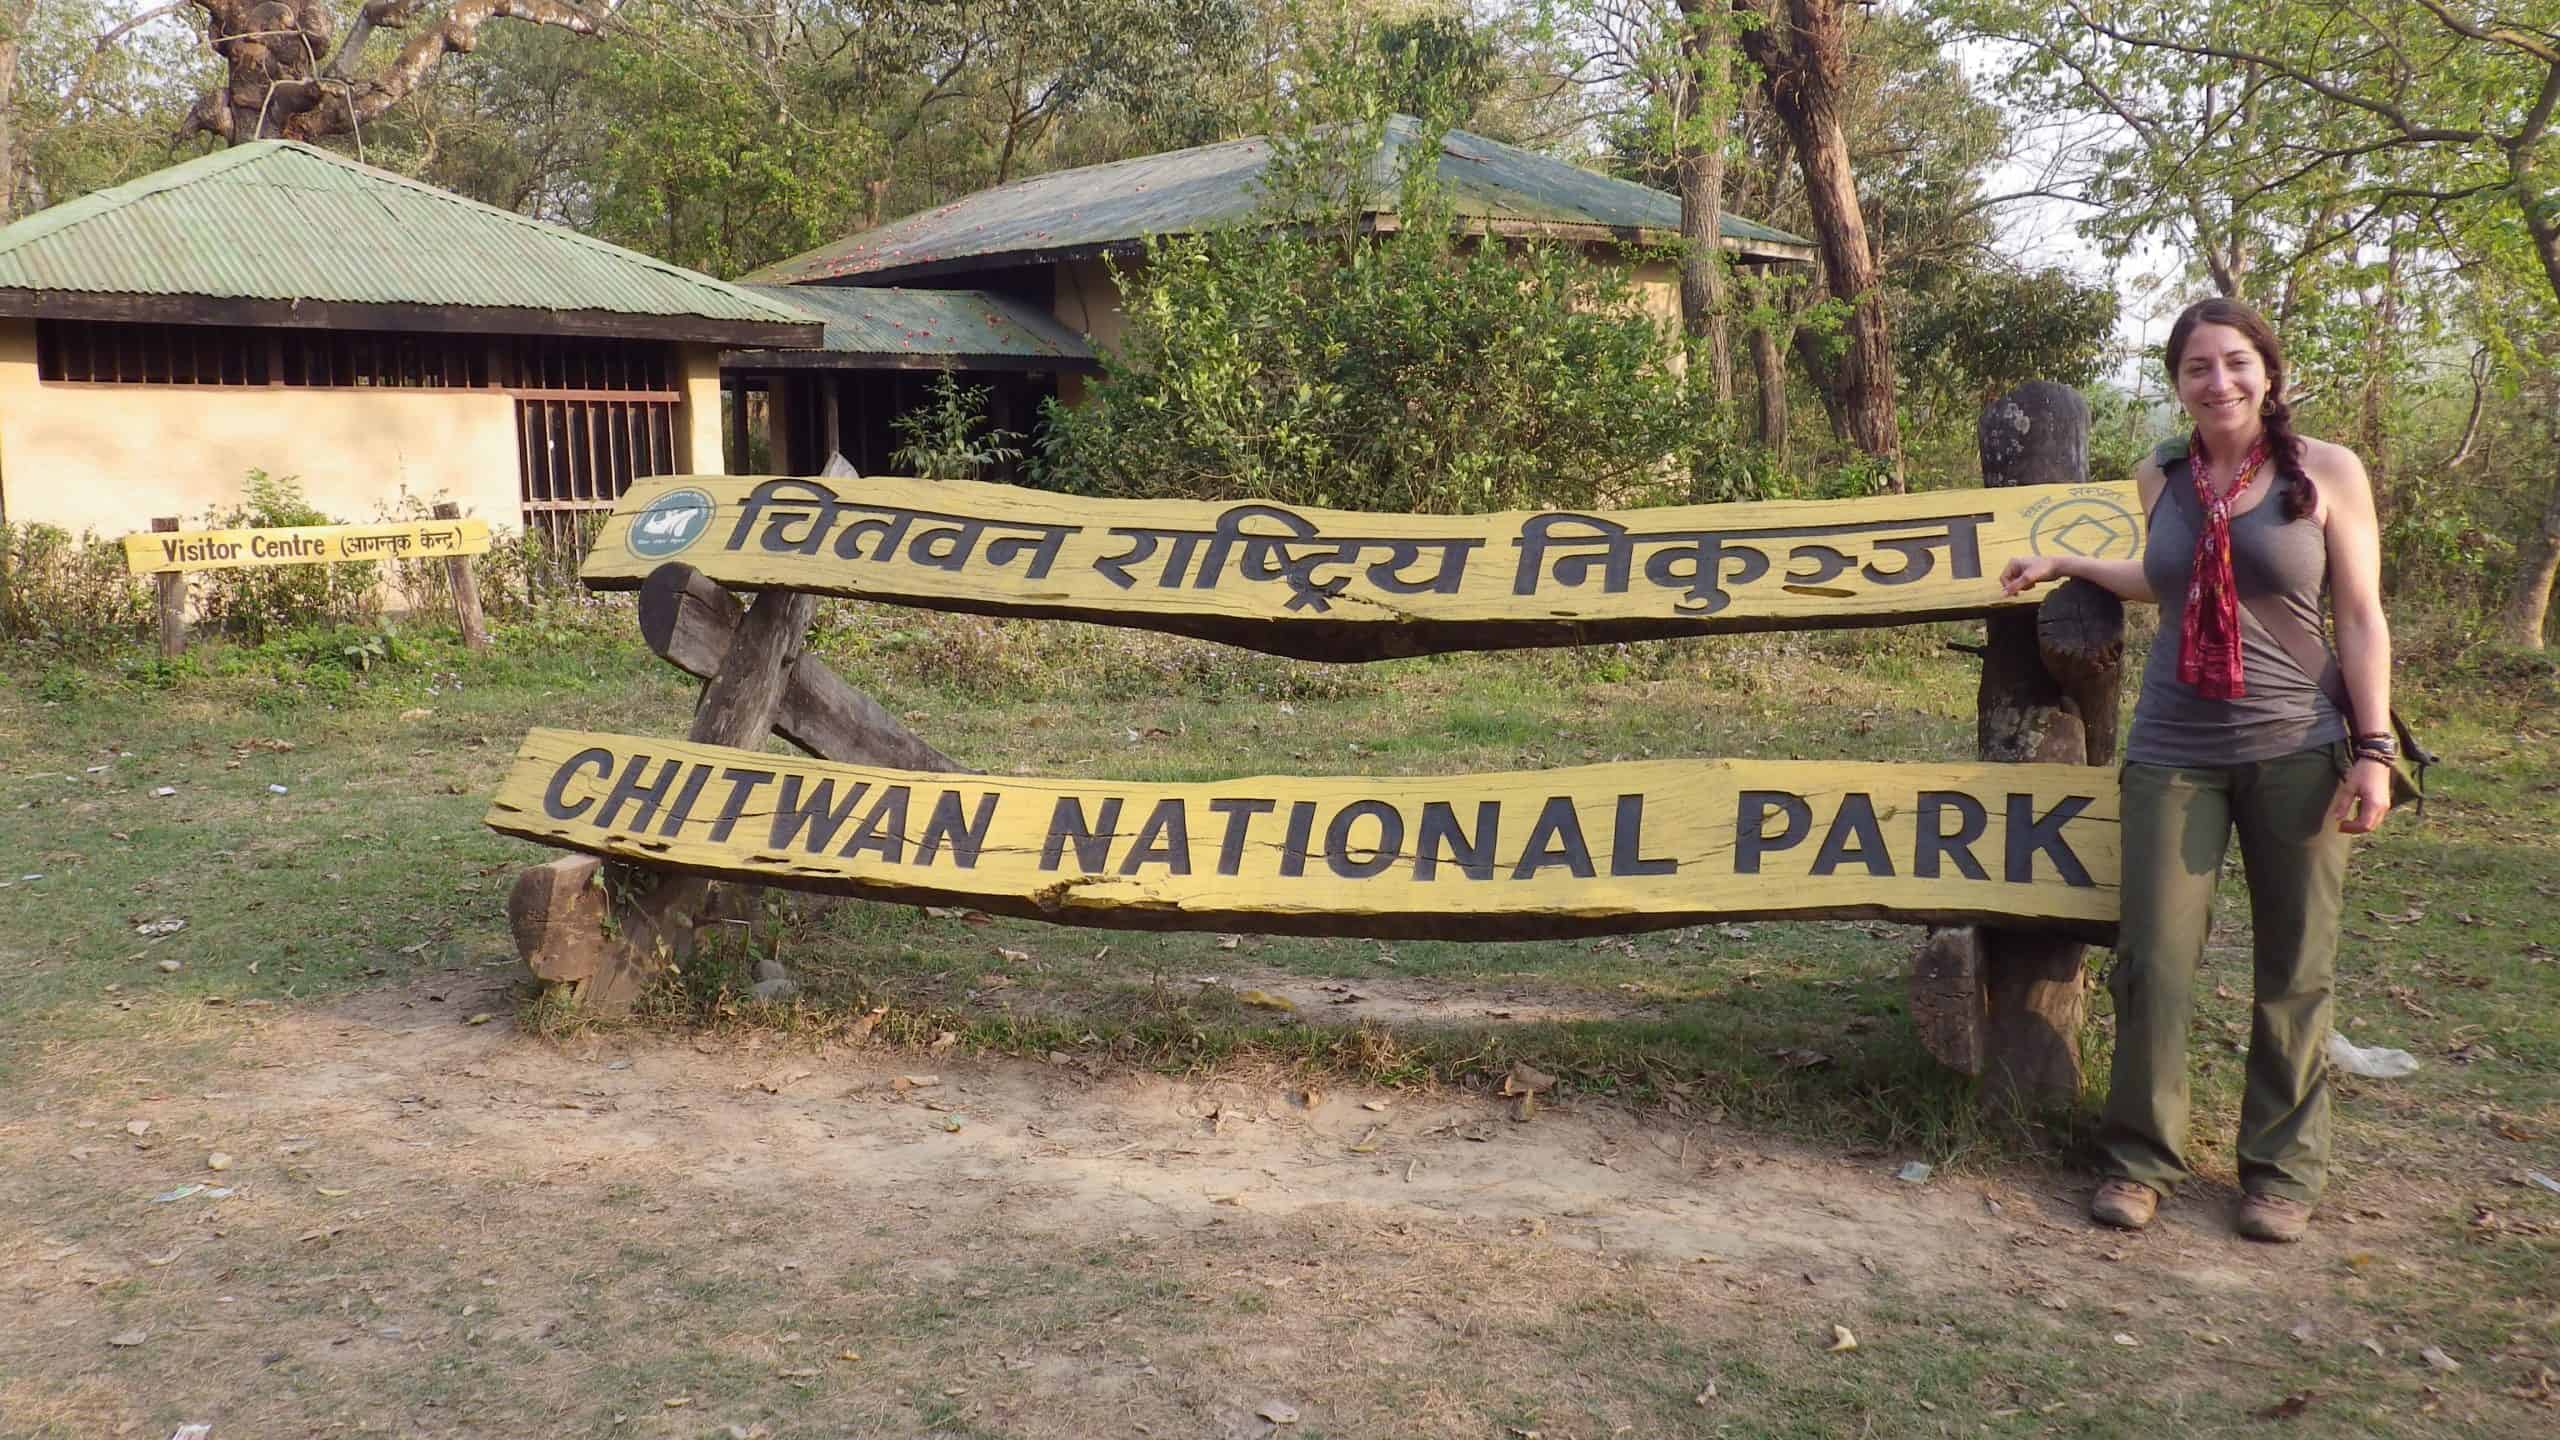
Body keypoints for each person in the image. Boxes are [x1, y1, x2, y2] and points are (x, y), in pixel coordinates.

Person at [1998, 296, 2396, 1244]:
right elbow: (2165, 578)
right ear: (2177, 382)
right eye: (2197, 367)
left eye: (2236, 362)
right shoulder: (2162, 474)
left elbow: (2358, 616)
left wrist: (2375, 749)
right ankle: (2139, 1160)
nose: (2219, 382)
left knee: (2295, 964)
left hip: (2296, 745)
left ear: (2269, 370)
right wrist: (2070, 563)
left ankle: (2280, 1172)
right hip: (2174, 749)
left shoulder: (2327, 471)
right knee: (2154, 962)